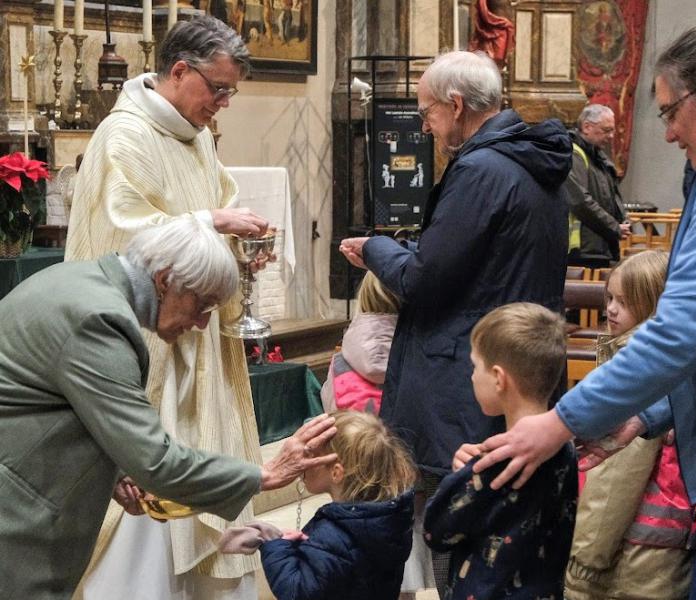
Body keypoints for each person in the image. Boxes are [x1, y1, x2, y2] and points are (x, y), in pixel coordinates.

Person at [472, 2, 696, 597]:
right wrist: (644, 414)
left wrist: (560, 421)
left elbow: (684, 330)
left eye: (671, 111)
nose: (667, 131)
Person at [0, 217, 337, 599]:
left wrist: (115, 472)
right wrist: (265, 473)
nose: (201, 322)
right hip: (15, 519)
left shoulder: (81, 283)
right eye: (202, 304)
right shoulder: (97, 320)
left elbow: (54, 408)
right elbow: (156, 462)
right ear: (164, 280)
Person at [339, 49, 572, 594]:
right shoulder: (537, 162)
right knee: (510, 540)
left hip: (463, 381)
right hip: (517, 371)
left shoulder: (480, 168)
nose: (424, 125)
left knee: (458, 535)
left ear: (458, 105)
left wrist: (376, 248)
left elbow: (424, 278)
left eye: (427, 113)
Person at [65, 15, 272, 599]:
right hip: (145, 340)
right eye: (219, 88)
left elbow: (220, 202)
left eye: (232, 91)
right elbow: (120, 233)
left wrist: (234, 249)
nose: (224, 104)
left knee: (197, 465)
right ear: (179, 70)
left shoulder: (197, 133)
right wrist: (210, 224)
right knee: (146, 481)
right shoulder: (123, 135)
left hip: (194, 333)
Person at [423, 303, 577, 599]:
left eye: (474, 366)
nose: (471, 376)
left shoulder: (497, 459)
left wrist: (461, 476)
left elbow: (436, 530)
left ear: (498, 377)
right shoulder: (565, 448)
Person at [565, 251, 692, 600]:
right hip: (662, 547)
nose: (611, 310)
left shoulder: (636, 376)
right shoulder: (676, 364)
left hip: (631, 555)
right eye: (609, 298)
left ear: (655, 306)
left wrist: (582, 568)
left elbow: (614, 482)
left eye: (625, 301)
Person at [218, 410, 418, 600]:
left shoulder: (335, 533)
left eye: (312, 455)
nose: (302, 462)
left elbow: (297, 591)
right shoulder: (391, 518)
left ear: (336, 472)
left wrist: (275, 546)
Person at [320, 271, 400, 414]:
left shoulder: (343, 355)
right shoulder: (425, 357)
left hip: (354, 434)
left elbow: (329, 406)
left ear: (364, 295)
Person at [565, 104, 631, 269]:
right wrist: (614, 227)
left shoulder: (598, 156)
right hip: (582, 249)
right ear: (587, 127)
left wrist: (623, 218)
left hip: (600, 245)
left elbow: (610, 195)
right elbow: (580, 201)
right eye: (606, 130)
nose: (611, 136)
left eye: (612, 130)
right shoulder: (574, 153)